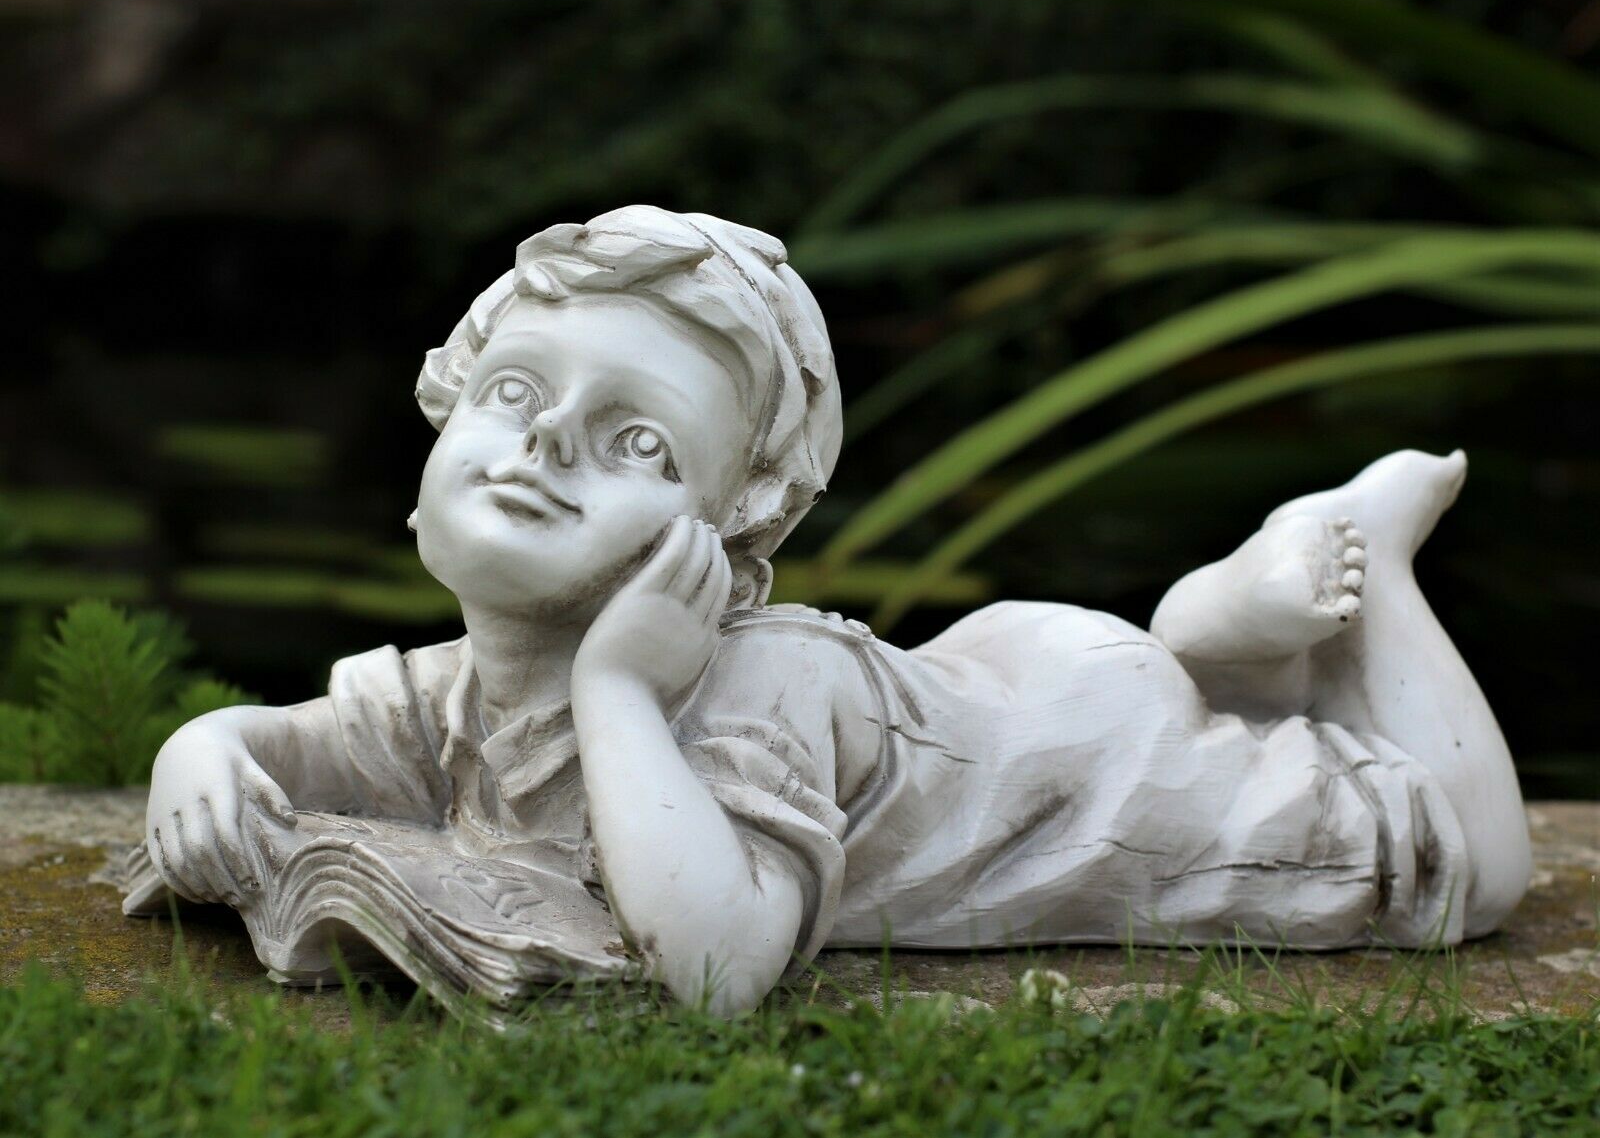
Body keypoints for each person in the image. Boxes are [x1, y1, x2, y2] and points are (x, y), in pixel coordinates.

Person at [141, 206, 1532, 1015]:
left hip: (1082, 768)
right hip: (1004, 681)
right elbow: (297, 737)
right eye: (516, 392)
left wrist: (625, 693)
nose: (547, 443)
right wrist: (200, 753)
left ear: (728, 527)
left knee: (1465, 864)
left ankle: (1358, 560)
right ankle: (1225, 633)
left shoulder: (748, 690)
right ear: (443, 410)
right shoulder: (464, 686)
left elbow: (715, 966)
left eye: (638, 442)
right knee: (1199, 687)